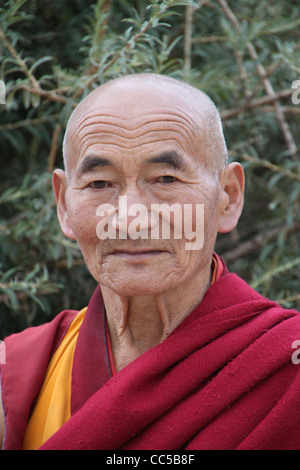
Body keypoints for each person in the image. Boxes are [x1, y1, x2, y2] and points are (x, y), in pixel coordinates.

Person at [1, 73, 300, 451]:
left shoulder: (287, 366)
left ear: (228, 197)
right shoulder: (18, 374)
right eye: (99, 184)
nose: (130, 218)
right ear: (63, 205)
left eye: (165, 178)